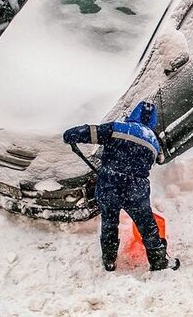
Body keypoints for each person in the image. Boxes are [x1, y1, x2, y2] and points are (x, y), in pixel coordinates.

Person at [63, 100, 180, 272]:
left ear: (134, 114)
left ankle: (109, 260)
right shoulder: (154, 142)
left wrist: (70, 135)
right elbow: (158, 160)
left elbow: (89, 132)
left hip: (108, 185)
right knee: (148, 227)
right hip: (135, 190)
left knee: (109, 223)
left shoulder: (117, 128)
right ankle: (158, 261)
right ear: (152, 121)